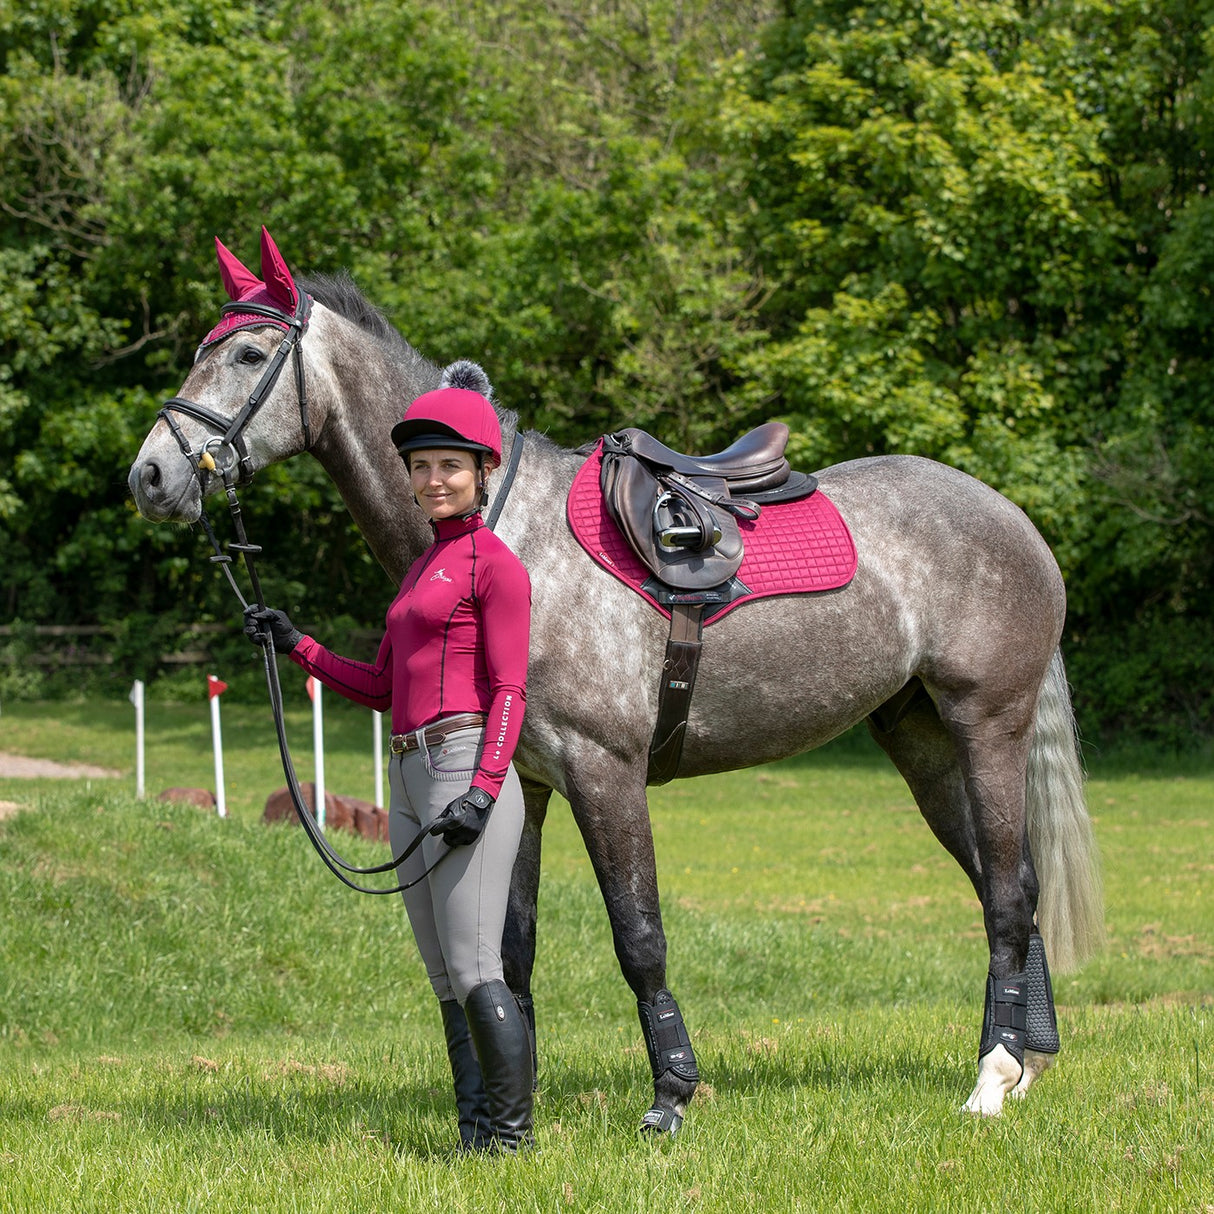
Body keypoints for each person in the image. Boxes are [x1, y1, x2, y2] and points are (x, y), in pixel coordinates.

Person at [244, 381, 534, 1153]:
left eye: (450, 465)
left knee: (475, 965)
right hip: (407, 772)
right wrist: (298, 645)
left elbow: (511, 688)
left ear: (483, 470)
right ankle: (475, 1133)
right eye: (420, 465)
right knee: (443, 973)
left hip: (464, 763)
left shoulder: (496, 565)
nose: (433, 479)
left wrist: (484, 789)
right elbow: (380, 687)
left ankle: (511, 1145)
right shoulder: (421, 569)